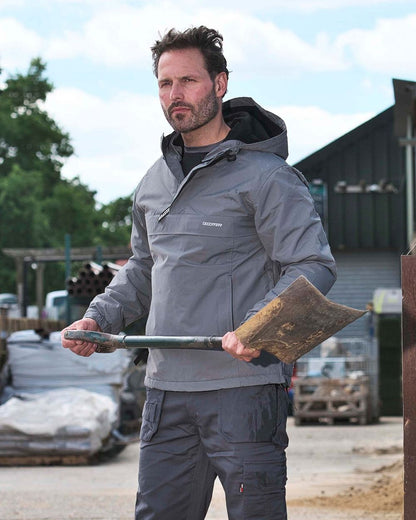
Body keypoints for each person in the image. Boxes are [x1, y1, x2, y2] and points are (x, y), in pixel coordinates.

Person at [62, 26, 336, 520]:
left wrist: (260, 327)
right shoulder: (153, 181)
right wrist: (98, 317)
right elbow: (143, 268)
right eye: (165, 84)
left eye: (188, 80)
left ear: (220, 84)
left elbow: (312, 265)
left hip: (243, 390)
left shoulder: (267, 177)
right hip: (167, 392)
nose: (175, 95)